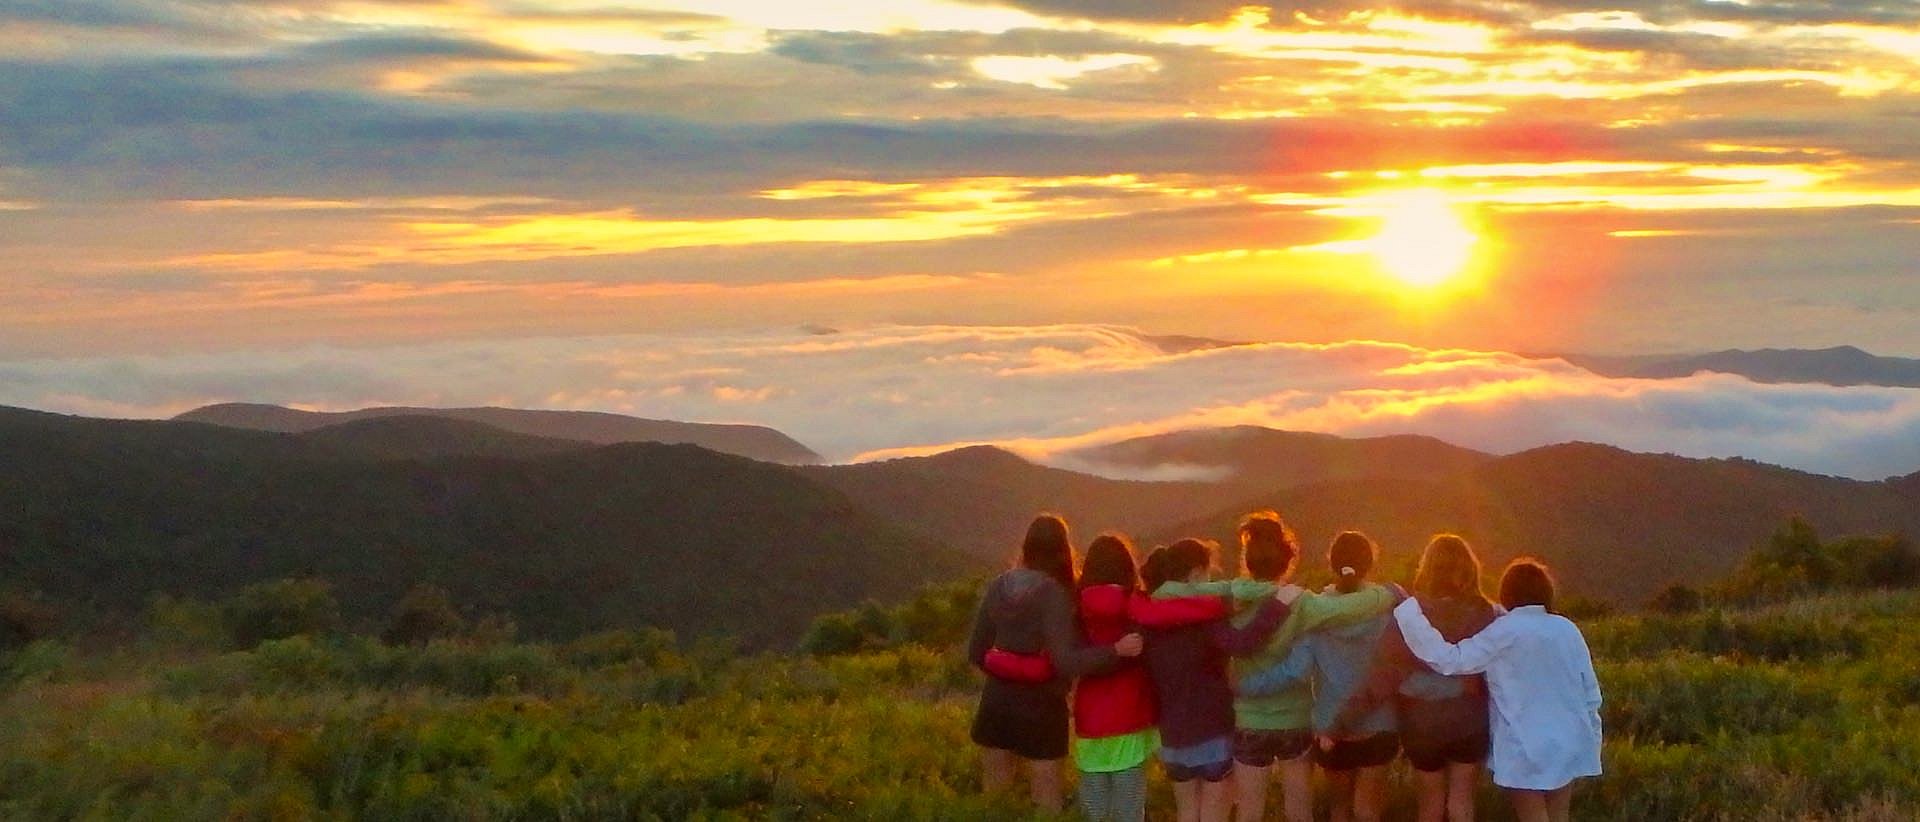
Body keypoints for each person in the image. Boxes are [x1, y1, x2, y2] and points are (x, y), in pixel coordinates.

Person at [1154, 512, 1398, 822]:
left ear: (1247, 559)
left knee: (1249, 813)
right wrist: (1389, 592)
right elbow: (1350, 606)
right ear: (1288, 561)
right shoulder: (1302, 603)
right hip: (1294, 720)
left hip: (1249, 719)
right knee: (1298, 810)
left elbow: (1172, 592)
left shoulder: (1228, 597)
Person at [984, 532, 1235, 821]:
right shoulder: (1135, 604)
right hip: (1130, 715)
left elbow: (1066, 661)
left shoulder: (1075, 606)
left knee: (1095, 812)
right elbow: (1163, 619)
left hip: (1089, 722)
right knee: (1128, 812)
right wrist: (1219, 604)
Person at [1393, 558, 1603, 822]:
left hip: (1524, 745)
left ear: (1508, 593)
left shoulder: (1503, 632)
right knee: (1559, 817)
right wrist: (1591, 739)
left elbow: (1450, 660)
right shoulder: (1567, 629)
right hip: (1569, 739)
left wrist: (1410, 614)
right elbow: (1590, 692)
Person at [967, 514, 1144, 812]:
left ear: (1026, 547)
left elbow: (975, 651)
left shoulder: (998, 586)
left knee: (994, 803)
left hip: (995, 703)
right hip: (1042, 709)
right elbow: (1066, 662)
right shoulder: (1056, 594)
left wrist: (1008, 669)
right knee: (1046, 803)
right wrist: (1115, 650)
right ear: (1064, 550)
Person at [1327, 535, 1500, 822]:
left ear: (1427, 569)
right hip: (1470, 723)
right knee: (1462, 805)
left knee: (1429, 807)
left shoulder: (1410, 616)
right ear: (1470, 569)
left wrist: (1339, 724)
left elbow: (1381, 678)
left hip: (1421, 728)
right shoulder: (1487, 614)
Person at [1238, 531, 1404, 822]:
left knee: (1338, 810)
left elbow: (1296, 670)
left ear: (1331, 563)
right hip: (1380, 721)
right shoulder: (1384, 609)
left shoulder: (1316, 611)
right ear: (1370, 564)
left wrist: (1244, 686)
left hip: (1331, 726)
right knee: (1367, 811)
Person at [1140, 539, 1298, 822]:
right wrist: (1277, 607)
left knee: (1187, 813)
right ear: (1196, 573)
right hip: (1212, 730)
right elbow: (1240, 643)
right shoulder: (1205, 614)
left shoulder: (1149, 617)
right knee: (1214, 813)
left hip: (1172, 737)